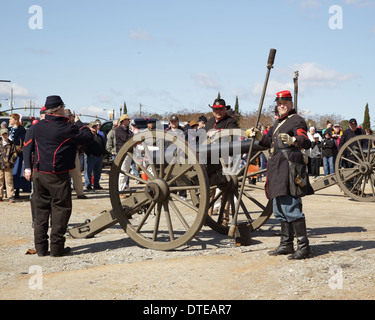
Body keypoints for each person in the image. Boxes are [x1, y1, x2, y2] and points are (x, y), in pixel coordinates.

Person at [23, 95, 93, 257]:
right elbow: (88, 137)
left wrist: (28, 167)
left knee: (41, 211)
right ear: (60, 108)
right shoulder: (66, 128)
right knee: (61, 210)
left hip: (39, 173)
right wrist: (78, 122)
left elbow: (28, 147)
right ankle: (56, 248)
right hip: (58, 175)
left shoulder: (37, 126)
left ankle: (40, 248)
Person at [247, 90, 313, 260]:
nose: (282, 106)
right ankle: (286, 244)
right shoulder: (278, 122)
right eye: (279, 103)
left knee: (290, 207)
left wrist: (293, 141)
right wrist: (259, 135)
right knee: (279, 208)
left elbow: (305, 140)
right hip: (277, 167)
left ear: (291, 104)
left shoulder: (296, 120)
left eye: (285, 103)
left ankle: (304, 247)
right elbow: (269, 142)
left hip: (288, 167)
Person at [339, 118, 366, 192]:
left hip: (360, 156)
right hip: (348, 156)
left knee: (360, 173)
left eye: (354, 126)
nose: (353, 127)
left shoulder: (362, 132)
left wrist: (364, 152)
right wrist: (341, 154)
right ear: (349, 125)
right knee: (348, 174)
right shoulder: (346, 133)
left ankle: (357, 188)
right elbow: (341, 143)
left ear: (356, 125)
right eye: (352, 126)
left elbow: (366, 143)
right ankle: (348, 189)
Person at [65, 109, 87, 199]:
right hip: (63, 153)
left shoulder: (74, 127)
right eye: (70, 116)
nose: (71, 117)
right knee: (63, 175)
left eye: (71, 116)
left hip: (73, 153)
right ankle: (65, 193)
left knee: (77, 174)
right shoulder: (62, 126)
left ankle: (80, 193)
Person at [9, 113, 30, 198]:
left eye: (11, 119)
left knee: (17, 172)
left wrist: (13, 140)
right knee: (9, 173)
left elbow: (22, 141)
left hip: (17, 154)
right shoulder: (9, 129)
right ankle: (9, 190)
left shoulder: (21, 130)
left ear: (16, 120)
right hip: (8, 154)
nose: (10, 120)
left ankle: (17, 190)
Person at [84, 121, 106, 191]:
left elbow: (102, 145)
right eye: (93, 127)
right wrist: (89, 154)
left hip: (99, 156)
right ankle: (88, 185)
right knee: (88, 171)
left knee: (98, 172)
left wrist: (102, 153)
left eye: (95, 126)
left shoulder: (99, 136)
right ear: (90, 128)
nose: (94, 128)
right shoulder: (88, 136)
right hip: (91, 157)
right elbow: (85, 146)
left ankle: (96, 184)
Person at [115, 114, 133, 196]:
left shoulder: (126, 130)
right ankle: (120, 190)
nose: (129, 121)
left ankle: (122, 188)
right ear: (123, 121)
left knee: (125, 172)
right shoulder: (119, 130)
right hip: (123, 153)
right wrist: (133, 134)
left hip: (127, 153)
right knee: (122, 173)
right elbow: (126, 139)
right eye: (127, 120)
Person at [0, 128, 17, 202]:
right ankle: (0, 196)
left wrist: (11, 162)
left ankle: (10, 196)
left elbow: (15, 154)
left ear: (8, 135)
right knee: (0, 180)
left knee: (9, 181)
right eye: (3, 135)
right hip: (0, 165)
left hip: (8, 166)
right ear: (1, 135)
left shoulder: (11, 144)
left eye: (6, 134)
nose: (4, 136)